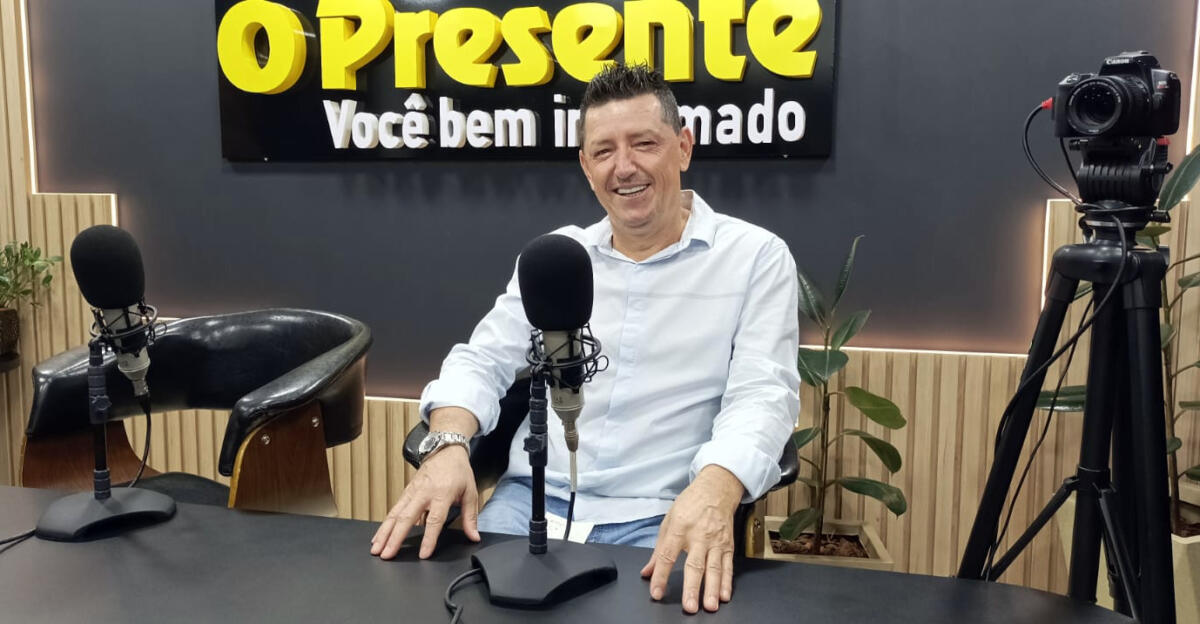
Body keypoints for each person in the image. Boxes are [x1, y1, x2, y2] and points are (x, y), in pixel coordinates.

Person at [371, 63, 800, 614]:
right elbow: (481, 360)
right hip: (528, 506)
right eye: (604, 151)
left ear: (683, 147)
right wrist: (448, 443)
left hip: (660, 514)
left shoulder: (755, 258)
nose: (624, 167)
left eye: (644, 143)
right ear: (585, 166)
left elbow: (763, 395)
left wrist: (717, 490)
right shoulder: (558, 257)